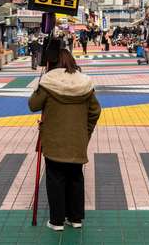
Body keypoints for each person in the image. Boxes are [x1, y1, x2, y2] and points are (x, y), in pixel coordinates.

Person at [29, 46, 101, 232]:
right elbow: (95, 110)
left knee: (55, 178)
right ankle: (75, 218)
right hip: (77, 140)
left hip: (53, 140)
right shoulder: (85, 84)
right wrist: (86, 132)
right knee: (75, 177)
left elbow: (33, 105)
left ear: (52, 63)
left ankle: (57, 221)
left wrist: (39, 84)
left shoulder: (49, 82)